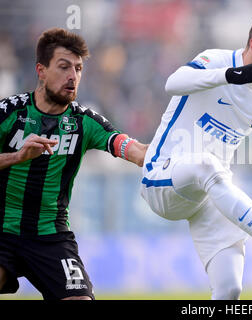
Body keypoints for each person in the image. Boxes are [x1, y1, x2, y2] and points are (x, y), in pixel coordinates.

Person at [140, 14, 252, 299]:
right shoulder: (216, 60)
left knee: (230, 289)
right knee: (206, 165)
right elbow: (172, 83)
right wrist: (230, 76)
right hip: (163, 179)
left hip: (211, 195)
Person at [0, 28, 148, 300]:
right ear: (41, 70)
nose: (73, 76)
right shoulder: (9, 112)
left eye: (78, 69)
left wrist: (162, 155)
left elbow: (131, 148)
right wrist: (17, 157)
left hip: (51, 236)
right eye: (64, 66)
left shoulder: (84, 121)